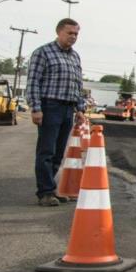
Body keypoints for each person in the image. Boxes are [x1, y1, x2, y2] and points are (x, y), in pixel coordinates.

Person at [26, 18, 86, 206]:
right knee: (46, 151)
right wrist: (36, 108)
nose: (73, 37)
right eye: (70, 33)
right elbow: (33, 82)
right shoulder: (43, 53)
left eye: (76, 33)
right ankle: (44, 193)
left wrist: (80, 108)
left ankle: (50, 189)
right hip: (49, 107)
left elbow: (78, 85)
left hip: (68, 109)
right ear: (59, 32)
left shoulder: (75, 57)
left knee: (59, 153)